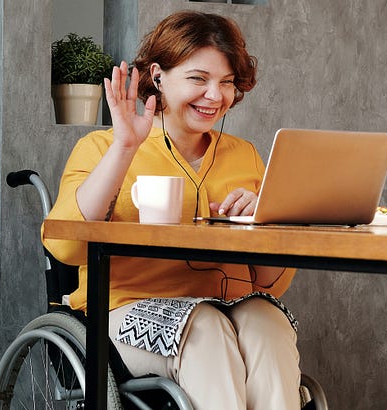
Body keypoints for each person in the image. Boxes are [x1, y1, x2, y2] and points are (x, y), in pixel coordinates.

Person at [42, 10, 300, 410]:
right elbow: (66, 247)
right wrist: (125, 147)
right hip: (123, 311)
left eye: (227, 83)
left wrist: (265, 220)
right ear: (159, 75)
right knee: (207, 329)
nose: (215, 96)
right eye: (199, 79)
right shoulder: (101, 149)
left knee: (268, 324)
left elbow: (268, 282)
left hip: (230, 305)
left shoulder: (244, 156)